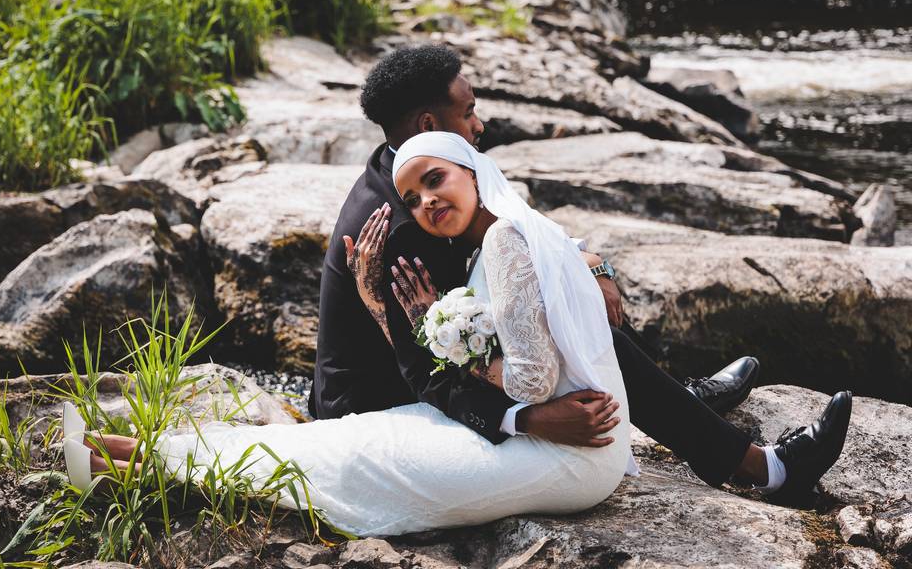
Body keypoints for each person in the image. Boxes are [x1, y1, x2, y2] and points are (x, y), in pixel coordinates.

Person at [64, 133, 852, 534]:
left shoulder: (505, 238)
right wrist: (403, 319)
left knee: (362, 464)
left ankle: (134, 461)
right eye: (413, 195)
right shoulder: (487, 233)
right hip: (541, 433)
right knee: (343, 447)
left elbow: (539, 376)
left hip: (562, 449)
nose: (424, 203)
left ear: (470, 169)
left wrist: (437, 339)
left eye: (435, 181)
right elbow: (535, 368)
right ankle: (134, 459)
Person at [312, 44, 852, 505]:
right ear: (429, 124)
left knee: (571, 295)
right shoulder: (397, 229)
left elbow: (519, 243)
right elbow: (425, 368)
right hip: (384, 401)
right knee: (579, 325)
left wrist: (594, 264)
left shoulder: (418, 171)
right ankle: (765, 467)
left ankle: (674, 402)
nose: (481, 123)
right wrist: (525, 420)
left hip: (443, 370)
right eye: (470, 110)